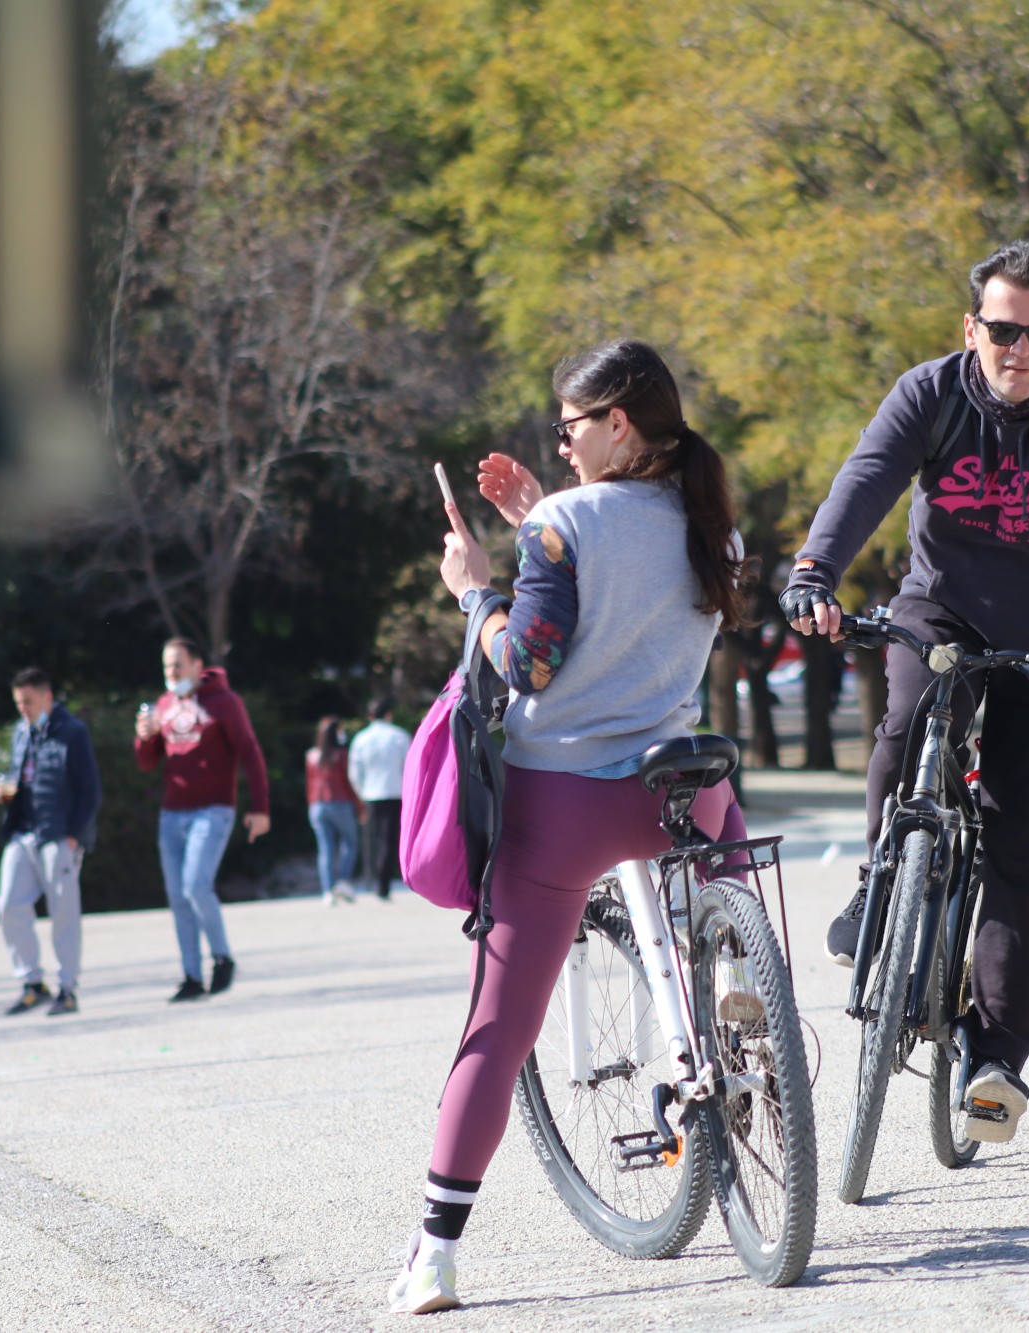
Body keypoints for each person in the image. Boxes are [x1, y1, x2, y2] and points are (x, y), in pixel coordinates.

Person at [385, 340, 752, 1315]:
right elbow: (626, 596)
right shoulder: (713, 524)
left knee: (497, 1027)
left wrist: (474, 587)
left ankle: (433, 1253)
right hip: (678, 783)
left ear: (617, 423)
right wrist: (538, 520)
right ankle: (733, 979)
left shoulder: (564, 522)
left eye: (570, 425)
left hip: (566, 803)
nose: (562, 440)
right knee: (728, 850)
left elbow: (527, 668)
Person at [781, 240, 1029, 1146]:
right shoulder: (931, 393)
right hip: (942, 610)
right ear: (970, 328)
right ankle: (881, 881)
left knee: (1021, 843)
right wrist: (814, 572)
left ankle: (995, 1060)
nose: (1018, 349)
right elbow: (866, 479)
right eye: (1001, 330)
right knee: (905, 723)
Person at [135, 637, 272, 1003]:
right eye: (167, 666)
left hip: (213, 809)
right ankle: (191, 976)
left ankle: (222, 957)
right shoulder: (164, 705)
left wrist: (260, 807)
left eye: (178, 664)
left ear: (198, 665)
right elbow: (148, 763)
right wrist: (143, 738)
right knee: (178, 896)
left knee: (196, 885)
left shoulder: (224, 702)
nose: (172, 672)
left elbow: (250, 751)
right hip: (172, 813)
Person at [0, 667, 102, 1017]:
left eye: (28, 701)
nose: (23, 708)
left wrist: (73, 836)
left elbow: (90, 791)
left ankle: (67, 989)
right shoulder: (21, 732)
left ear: (47, 698)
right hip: (23, 833)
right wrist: (4, 794)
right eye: (18, 703)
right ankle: (31, 983)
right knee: (9, 904)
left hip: (59, 836)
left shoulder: (73, 733)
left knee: (63, 912)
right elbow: (20, 778)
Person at [347, 697, 411, 900]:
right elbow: (409, 767)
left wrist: (361, 793)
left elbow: (354, 773)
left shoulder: (360, 739)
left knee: (371, 839)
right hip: (395, 793)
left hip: (370, 794)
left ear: (369, 716)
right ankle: (383, 884)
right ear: (389, 714)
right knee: (389, 840)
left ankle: (371, 880)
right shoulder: (399, 736)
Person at [306, 718, 363, 906]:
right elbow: (348, 784)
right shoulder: (341, 755)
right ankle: (343, 881)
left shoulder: (311, 755)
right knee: (350, 843)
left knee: (326, 849)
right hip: (340, 803)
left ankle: (327, 891)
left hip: (317, 805)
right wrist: (360, 807)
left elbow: (309, 785)